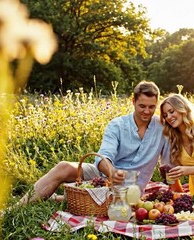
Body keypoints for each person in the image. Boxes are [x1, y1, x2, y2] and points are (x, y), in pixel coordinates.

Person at [20, 81, 170, 204]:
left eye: (151, 107)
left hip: (131, 190)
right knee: (64, 167)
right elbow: (102, 156)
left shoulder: (163, 128)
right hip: (105, 174)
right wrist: (112, 172)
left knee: (108, 201)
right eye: (142, 106)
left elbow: (168, 164)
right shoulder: (117, 125)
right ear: (133, 101)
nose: (146, 111)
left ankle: (58, 199)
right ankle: (16, 208)